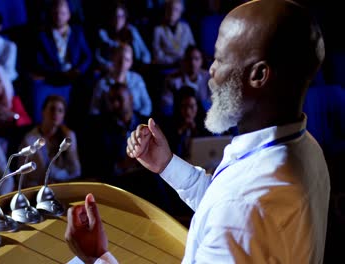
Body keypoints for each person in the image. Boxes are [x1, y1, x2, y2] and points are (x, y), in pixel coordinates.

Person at [64, 0, 330, 263]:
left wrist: (97, 256)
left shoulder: (242, 209)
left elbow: (233, 210)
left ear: (258, 75)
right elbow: (222, 201)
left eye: (220, 58)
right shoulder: (306, 148)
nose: (210, 69)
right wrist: (167, 165)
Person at [18, 95, 81, 187]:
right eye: (52, 109)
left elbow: (76, 171)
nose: (55, 113)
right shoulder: (30, 139)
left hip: (63, 187)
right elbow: (22, 178)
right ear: (43, 112)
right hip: (37, 189)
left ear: (63, 115)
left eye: (60, 111)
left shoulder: (69, 136)